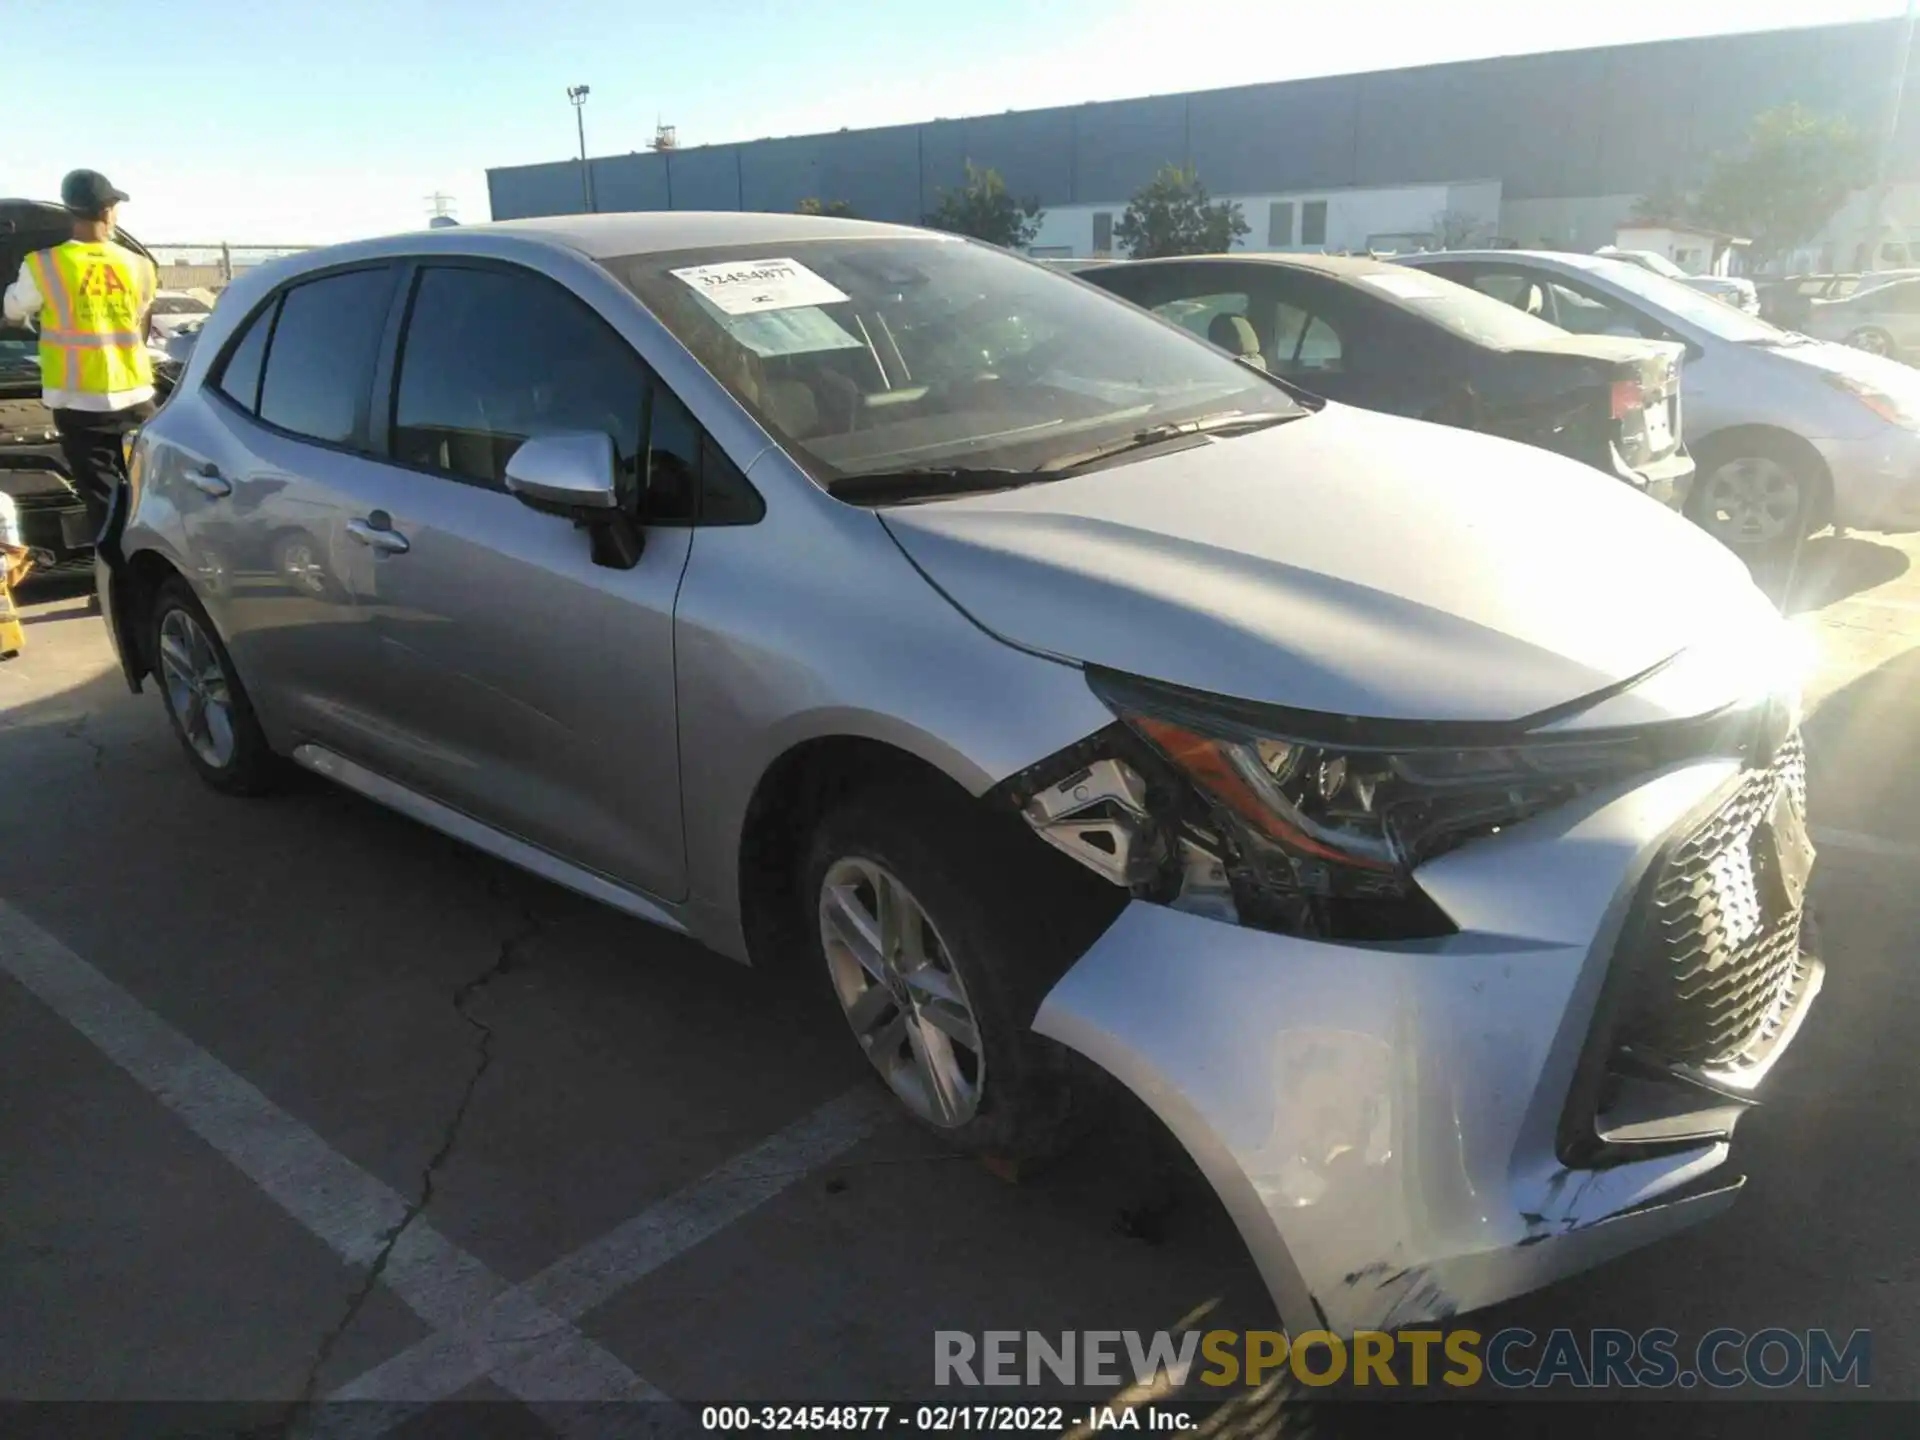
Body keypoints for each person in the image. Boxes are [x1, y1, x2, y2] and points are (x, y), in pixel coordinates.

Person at [2, 169, 158, 543]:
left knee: (104, 504)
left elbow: (11, 311)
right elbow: (137, 321)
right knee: (150, 499)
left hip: (79, 403)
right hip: (136, 397)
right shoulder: (139, 267)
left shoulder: (43, 265)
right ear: (107, 211)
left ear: (72, 211)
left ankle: (117, 588)